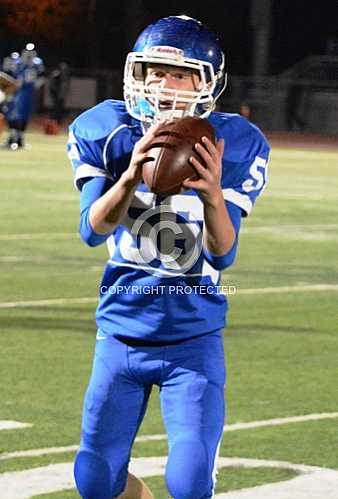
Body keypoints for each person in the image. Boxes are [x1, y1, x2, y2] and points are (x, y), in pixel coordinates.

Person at [67, 15, 269, 499]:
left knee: (190, 480)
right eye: (154, 71)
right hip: (120, 333)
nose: (165, 84)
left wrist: (214, 195)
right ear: (135, 74)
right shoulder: (105, 130)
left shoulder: (232, 142)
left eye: (181, 74)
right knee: (94, 481)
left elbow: (224, 254)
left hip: (191, 341)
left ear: (208, 83)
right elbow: (91, 231)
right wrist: (131, 173)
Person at [2, 43, 45, 149]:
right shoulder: (18, 62)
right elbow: (10, 74)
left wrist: (37, 84)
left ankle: (19, 138)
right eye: (27, 52)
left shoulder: (37, 63)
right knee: (11, 113)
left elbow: (41, 76)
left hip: (28, 92)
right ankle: (13, 138)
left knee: (24, 114)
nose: (29, 54)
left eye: (31, 52)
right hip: (15, 91)